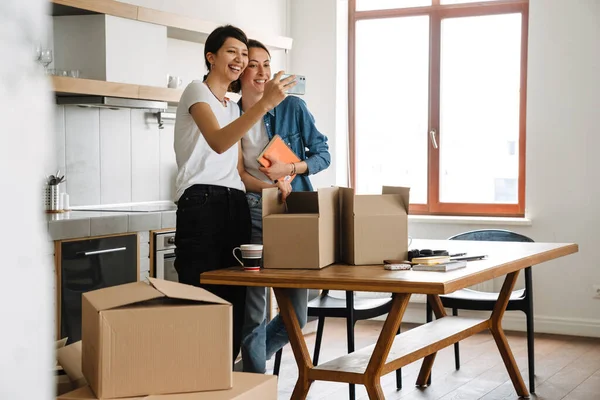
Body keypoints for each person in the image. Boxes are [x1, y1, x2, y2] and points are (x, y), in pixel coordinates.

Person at [173, 25, 295, 365]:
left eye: (245, 54)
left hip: (235, 205)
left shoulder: (232, 107)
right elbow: (218, 141)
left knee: (234, 308)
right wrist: (265, 103)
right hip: (201, 204)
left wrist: (275, 187)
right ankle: (196, 380)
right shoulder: (197, 92)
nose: (241, 60)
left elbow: (239, 172)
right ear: (211, 57)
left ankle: (226, 382)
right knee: (201, 302)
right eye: (232, 52)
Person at [236, 39, 331, 374]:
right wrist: (269, 186)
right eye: (253, 64)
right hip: (252, 211)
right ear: (240, 71)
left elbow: (323, 155)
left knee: (297, 317)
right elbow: (239, 173)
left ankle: (243, 371)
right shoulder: (231, 114)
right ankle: (255, 382)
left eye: (266, 63)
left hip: (293, 214)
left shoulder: (293, 108)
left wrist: (291, 169)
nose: (262, 72)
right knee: (255, 311)